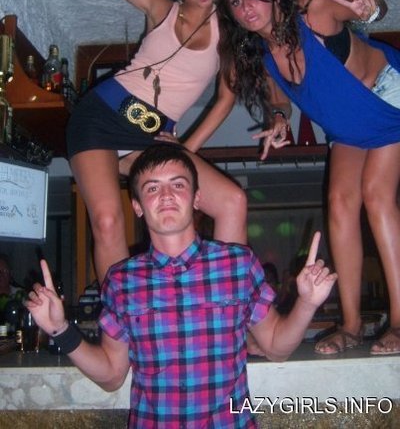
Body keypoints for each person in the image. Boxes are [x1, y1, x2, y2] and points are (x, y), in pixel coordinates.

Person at [26, 144, 336, 428]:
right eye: (152, 188)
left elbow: (277, 348)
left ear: (197, 198)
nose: (166, 195)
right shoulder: (121, 280)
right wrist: (60, 330)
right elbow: (111, 375)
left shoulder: (238, 264)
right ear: (137, 205)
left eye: (178, 184)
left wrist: (306, 303)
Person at [216, 0, 400, 356]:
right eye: (235, 1)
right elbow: (280, 99)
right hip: (347, 127)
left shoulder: (311, 7)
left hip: (386, 98)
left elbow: (374, 6)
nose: (247, 6)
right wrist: (280, 119)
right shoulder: (263, 55)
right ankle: (351, 325)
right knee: (339, 203)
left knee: (376, 195)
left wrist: (369, 7)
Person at [66, 0, 247, 284]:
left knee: (232, 201)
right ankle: (121, 315)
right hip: (99, 119)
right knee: (107, 221)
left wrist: (185, 149)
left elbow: (226, 99)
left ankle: (226, 303)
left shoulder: (229, 32)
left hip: (152, 138)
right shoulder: (162, 8)